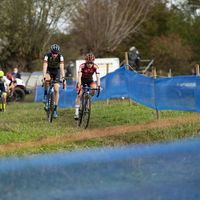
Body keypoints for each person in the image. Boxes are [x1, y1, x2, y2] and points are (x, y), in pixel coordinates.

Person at [42, 44, 65, 118]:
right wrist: (44, 76)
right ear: (51, 52)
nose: (55, 55)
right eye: (53, 53)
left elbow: (61, 67)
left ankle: (55, 109)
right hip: (49, 71)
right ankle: (45, 94)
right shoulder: (47, 56)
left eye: (56, 53)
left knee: (56, 89)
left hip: (56, 72)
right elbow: (45, 66)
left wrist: (63, 77)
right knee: (46, 79)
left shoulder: (60, 56)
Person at [74, 53, 100, 120]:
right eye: (88, 63)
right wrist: (79, 84)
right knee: (79, 95)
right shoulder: (82, 66)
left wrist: (98, 86)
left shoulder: (96, 67)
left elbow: (98, 77)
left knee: (94, 89)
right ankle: (76, 113)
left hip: (89, 80)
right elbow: (79, 76)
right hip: (82, 80)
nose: (89, 64)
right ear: (86, 62)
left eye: (91, 63)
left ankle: (88, 100)